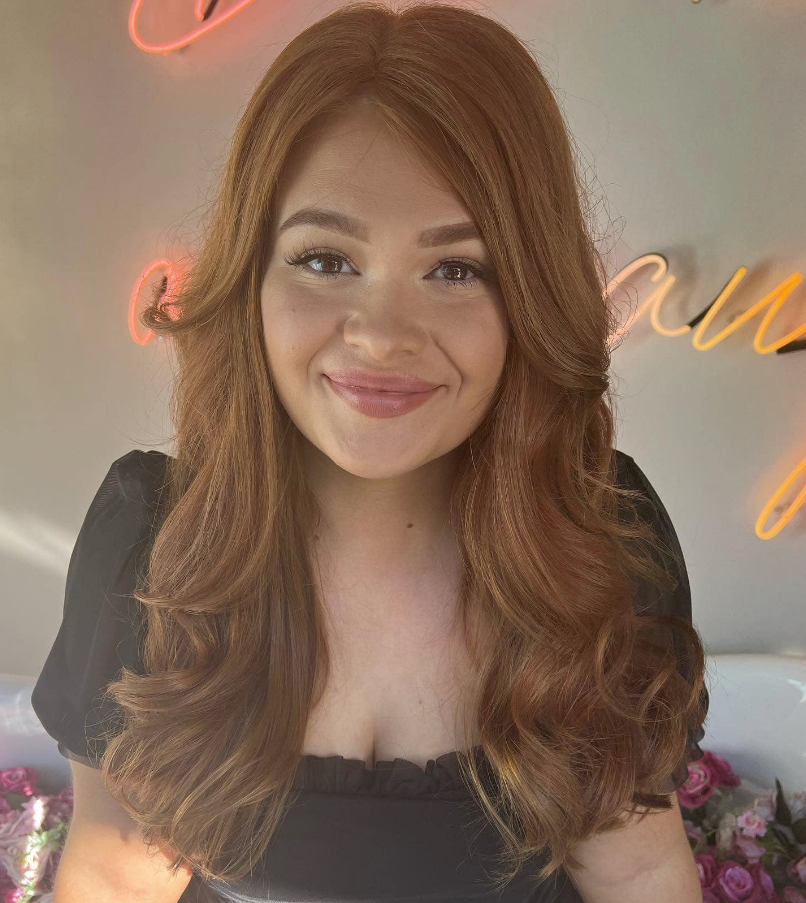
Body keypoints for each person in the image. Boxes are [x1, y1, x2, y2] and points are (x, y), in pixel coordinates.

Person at [32, 2, 709, 901]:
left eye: (456, 269)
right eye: (325, 259)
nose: (382, 335)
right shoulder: (147, 541)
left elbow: (639, 870)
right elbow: (116, 876)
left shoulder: (603, 545)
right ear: (252, 276)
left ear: (531, 298)